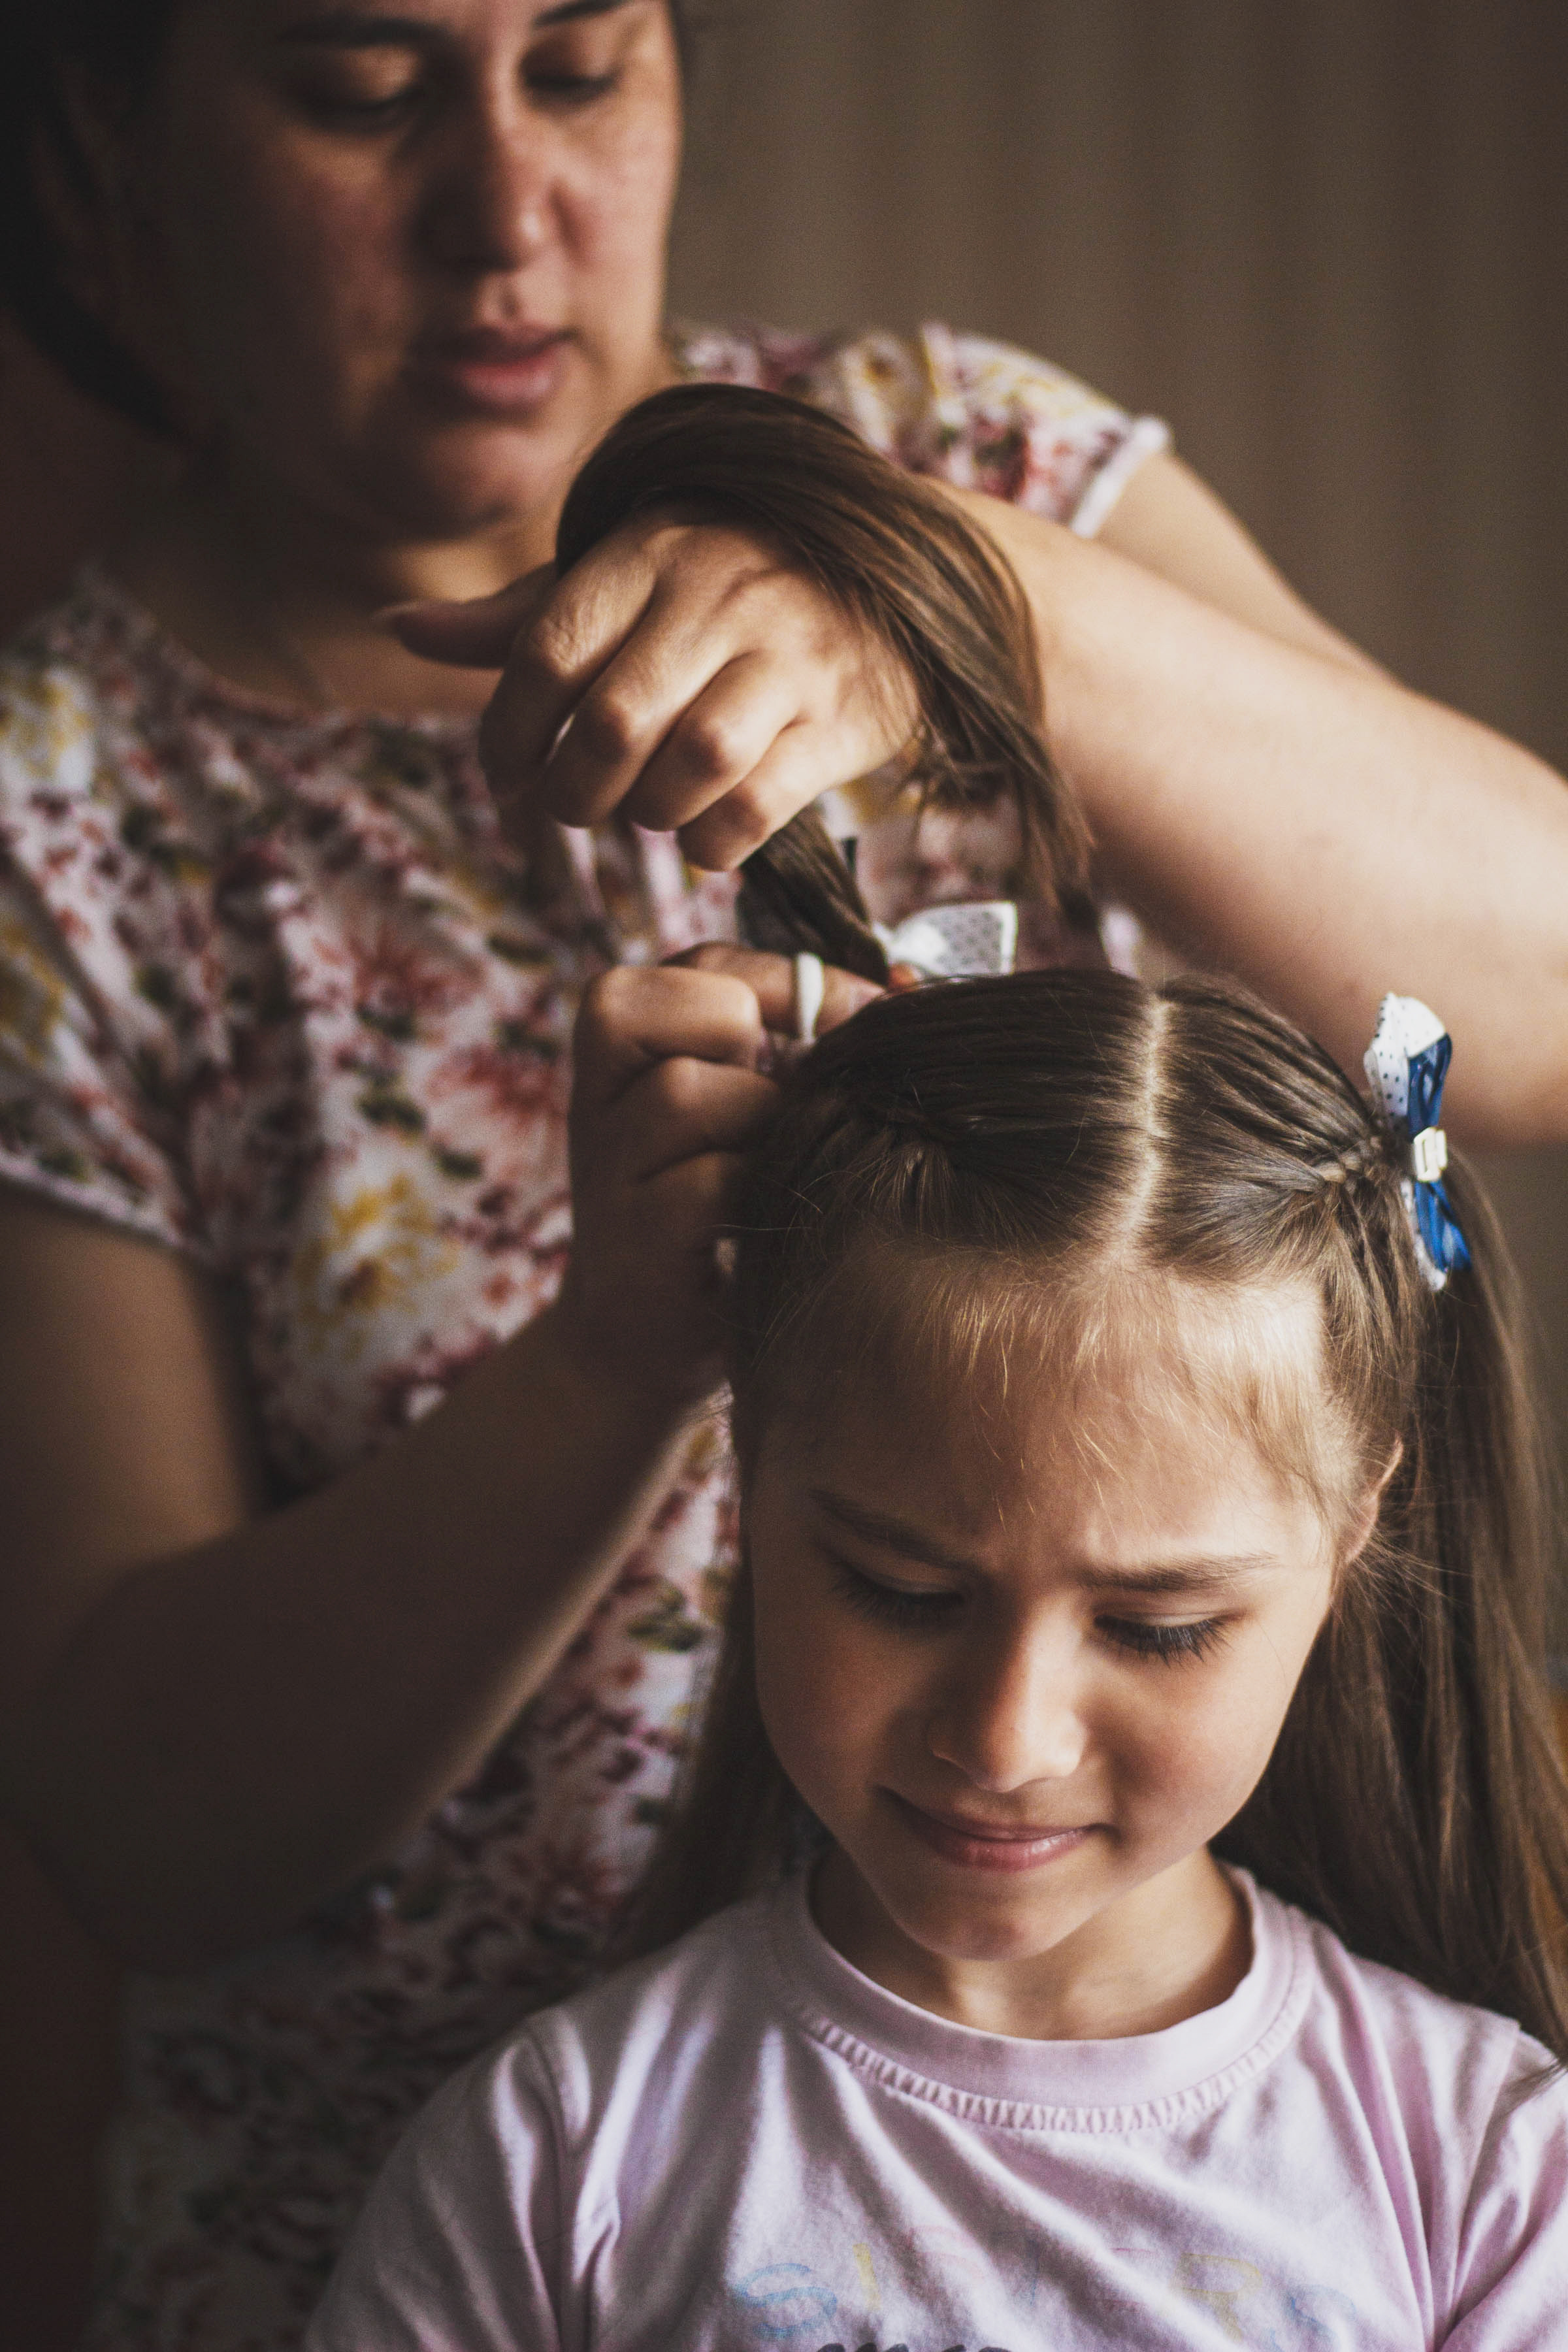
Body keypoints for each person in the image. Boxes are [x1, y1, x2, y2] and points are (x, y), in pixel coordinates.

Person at [3, 1, 1568, 2343]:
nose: (506, 206)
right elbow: (144, 1832)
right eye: (361, 90)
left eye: (584, 67)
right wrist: (614, 1363)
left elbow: (1525, 1002)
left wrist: (975, 607)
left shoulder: (964, 461)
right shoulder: (67, 825)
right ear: (112, 152)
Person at [304, 952, 1568, 2350]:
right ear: (753, 1477)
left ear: (1352, 1533)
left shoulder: (1488, 2175)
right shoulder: (563, 2153)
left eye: (1159, 1627)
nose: (1007, 1738)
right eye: (902, 1591)